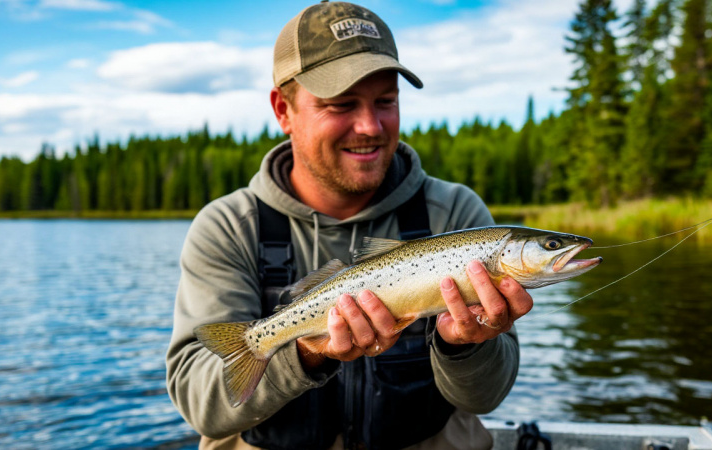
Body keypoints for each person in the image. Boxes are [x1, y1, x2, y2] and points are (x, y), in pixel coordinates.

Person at [166, 1, 534, 449]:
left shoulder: (456, 212)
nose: (369, 126)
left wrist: (466, 344)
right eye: (341, 105)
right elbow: (201, 405)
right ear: (283, 110)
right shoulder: (227, 227)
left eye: (386, 101)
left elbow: (486, 398)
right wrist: (307, 350)